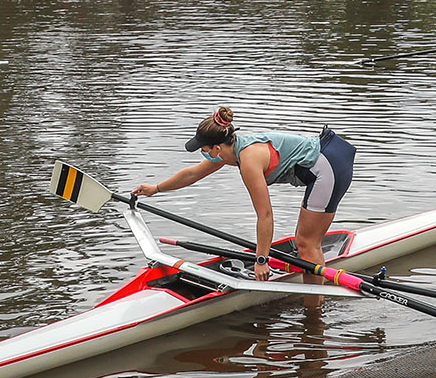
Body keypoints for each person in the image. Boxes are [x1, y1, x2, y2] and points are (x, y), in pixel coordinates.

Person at [134, 108, 357, 283]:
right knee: (305, 242)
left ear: (216, 149)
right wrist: (156, 188)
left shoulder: (249, 161)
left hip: (328, 166)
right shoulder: (232, 150)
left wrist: (261, 260)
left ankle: (314, 318)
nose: (204, 155)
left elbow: (266, 215)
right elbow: (192, 174)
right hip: (329, 157)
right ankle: (313, 291)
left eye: (204, 150)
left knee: (307, 244)